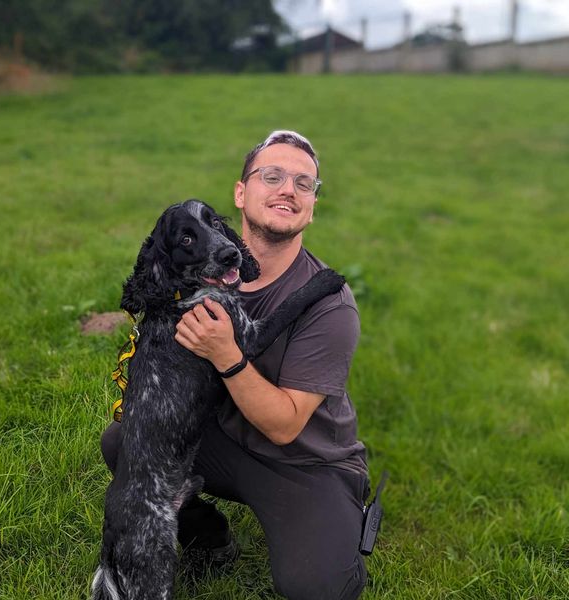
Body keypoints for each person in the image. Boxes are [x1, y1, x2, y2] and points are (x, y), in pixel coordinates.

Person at [101, 130, 369, 600]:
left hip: (302, 461)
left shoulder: (333, 307)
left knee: (316, 585)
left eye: (304, 184)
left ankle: (343, 518)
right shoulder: (198, 284)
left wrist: (225, 353)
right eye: (273, 176)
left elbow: (285, 427)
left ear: (312, 204)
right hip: (229, 443)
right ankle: (208, 536)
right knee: (124, 443)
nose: (289, 189)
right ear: (242, 193)